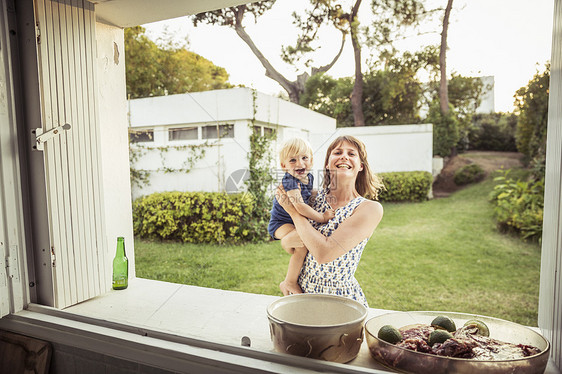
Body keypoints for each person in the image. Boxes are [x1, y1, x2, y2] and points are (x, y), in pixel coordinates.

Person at [275, 135, 384, 307]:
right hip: (301, 293)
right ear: (327, 163)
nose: (344, 157)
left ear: (361, 166)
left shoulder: (369, 209)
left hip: (339, 300)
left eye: (351, 154)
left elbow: (324, 254)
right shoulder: (312, 198)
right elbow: (289, 245)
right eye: (338, 152)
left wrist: (295, 214)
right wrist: (288, 240)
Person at [268, 138, 335, 296]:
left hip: (292, 221)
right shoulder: (290, 181)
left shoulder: (308, 177)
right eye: (293, 160)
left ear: (311, 161)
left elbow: (309, 194)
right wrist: (322, 217)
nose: (300, 163)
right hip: (281, 223)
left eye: (304, 158)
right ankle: (289, 281)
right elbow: (299, 206)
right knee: (302, 244)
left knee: (305, 238)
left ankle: (294, 274)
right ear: (284, 166)